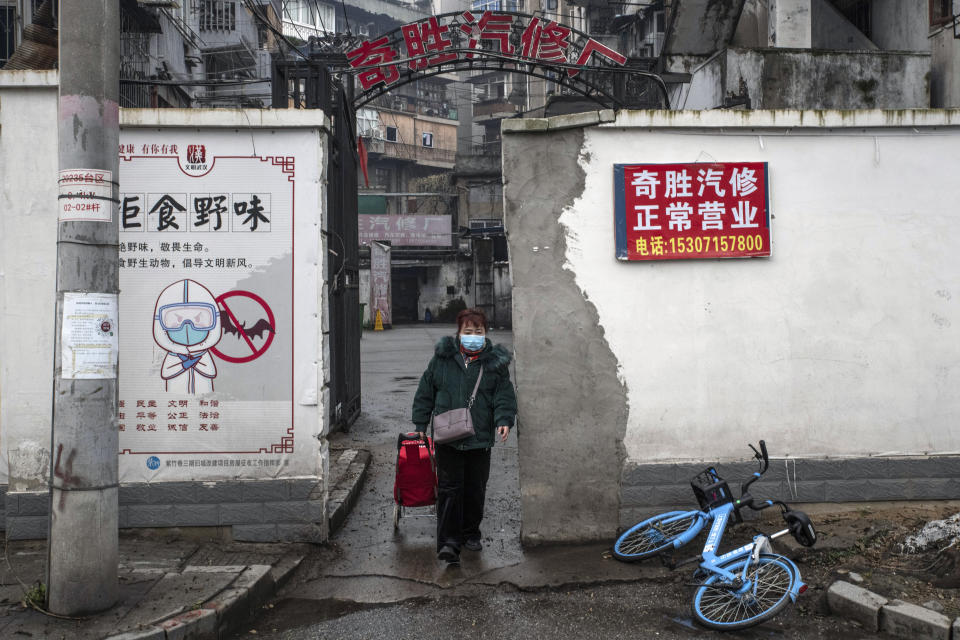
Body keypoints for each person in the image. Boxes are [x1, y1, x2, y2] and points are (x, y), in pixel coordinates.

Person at [412, 308, 517, 564]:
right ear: (458, 334)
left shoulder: (494, 364)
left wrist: (504, 420)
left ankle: (471, 533)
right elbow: (426, 390)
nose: (473, 337)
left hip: (479, 438)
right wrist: (420, 424)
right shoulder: (442, 359)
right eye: (467, 332)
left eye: (478, 332)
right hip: (447, 438)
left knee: (475, 489)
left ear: (485, 334)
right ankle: (449, 541)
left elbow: (504, 395)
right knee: (449, 489)